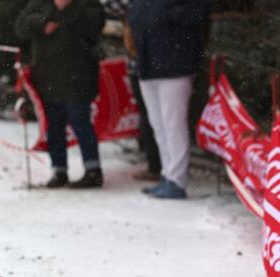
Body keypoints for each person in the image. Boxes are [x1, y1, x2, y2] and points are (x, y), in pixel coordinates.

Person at [16, 0, 106, 189]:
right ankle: (59, 170)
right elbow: (21, 25)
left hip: (78, 76)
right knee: (54, 126)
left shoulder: (86, 5)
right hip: (47, 76)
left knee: (80, 121)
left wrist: (67, 9)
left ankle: (93, 169)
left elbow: (94, 26)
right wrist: (42, 23)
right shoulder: (40, 3)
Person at [129, 0, 210, 199]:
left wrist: (162, 13)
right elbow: (135, 18)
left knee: (173, 124)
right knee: (158, 124)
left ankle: (177, 179)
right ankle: (167, 174)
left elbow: (198, 15)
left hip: (176, 65)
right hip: (148, 66)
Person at [102, 0, 162, 183]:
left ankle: (160, 166)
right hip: (140, 63)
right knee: (152, 117)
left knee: (157, 119)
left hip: (154, 63)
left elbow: (112, 5)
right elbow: (110, 6)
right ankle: (158, 165)